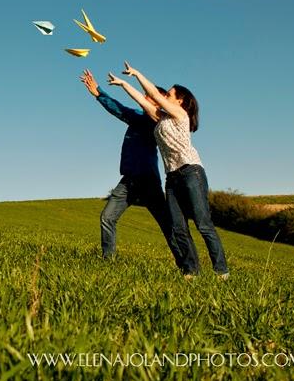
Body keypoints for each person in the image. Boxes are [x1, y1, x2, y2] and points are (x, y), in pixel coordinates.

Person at [107, 62, 229, 279]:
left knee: (203, 224)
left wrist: (136, 73)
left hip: (191, 172)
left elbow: (153, 93)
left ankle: (221, 271)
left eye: (171, 94)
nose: (167, 96)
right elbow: (143, 99)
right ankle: (191, 271)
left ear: (179, 100)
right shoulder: (159, 118)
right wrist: (124, 83)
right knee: (178, 227)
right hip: (172, 178)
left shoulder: (180, 114)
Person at [80, 69, 181, 265]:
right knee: (107, 217)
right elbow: (121, 109)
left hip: (148, 180)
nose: (143, 98)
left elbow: (121, 110)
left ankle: (187, 265)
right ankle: (108, 261)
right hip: (129, 180)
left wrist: (100, 93)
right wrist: (99, 93)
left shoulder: (157, 121)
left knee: (166, 225)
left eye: (148, 96)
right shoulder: (138, 117)